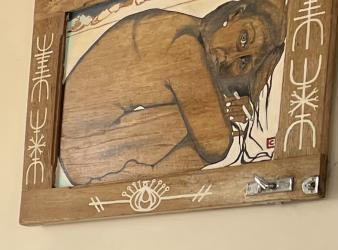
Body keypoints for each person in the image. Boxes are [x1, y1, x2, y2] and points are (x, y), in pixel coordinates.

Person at [59, 0, 285, 186]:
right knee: (215, 136)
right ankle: (152, 176)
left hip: (88, 147)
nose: (229, 58)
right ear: (235, 14)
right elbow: (216, 145)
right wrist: (228, 120)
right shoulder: (185, 44)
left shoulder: (188, 31)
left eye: (244, 64)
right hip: (86, 155)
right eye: (243, 38)